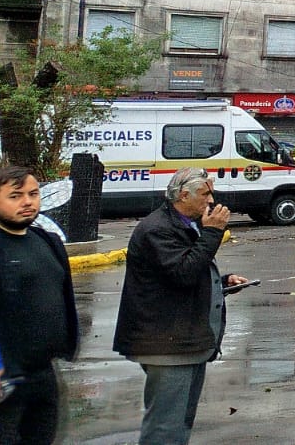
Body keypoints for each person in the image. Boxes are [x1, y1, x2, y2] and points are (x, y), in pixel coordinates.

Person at [114, 167, 250, 444]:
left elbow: (179, 274)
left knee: (180, 423)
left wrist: (222, 283)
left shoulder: (186, 225)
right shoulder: (158, 229)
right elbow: (183, 273)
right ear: (183, 195)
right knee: (165, 427)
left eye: (211, 193)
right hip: (165, 344)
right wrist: (212, 233)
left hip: (186, 342)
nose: (210, 201)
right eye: (205, 194)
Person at [0, 166, 79, 445]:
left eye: (33, 194)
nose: (27, 202)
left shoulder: (46, 240)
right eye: (15, 196)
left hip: (42, 374)